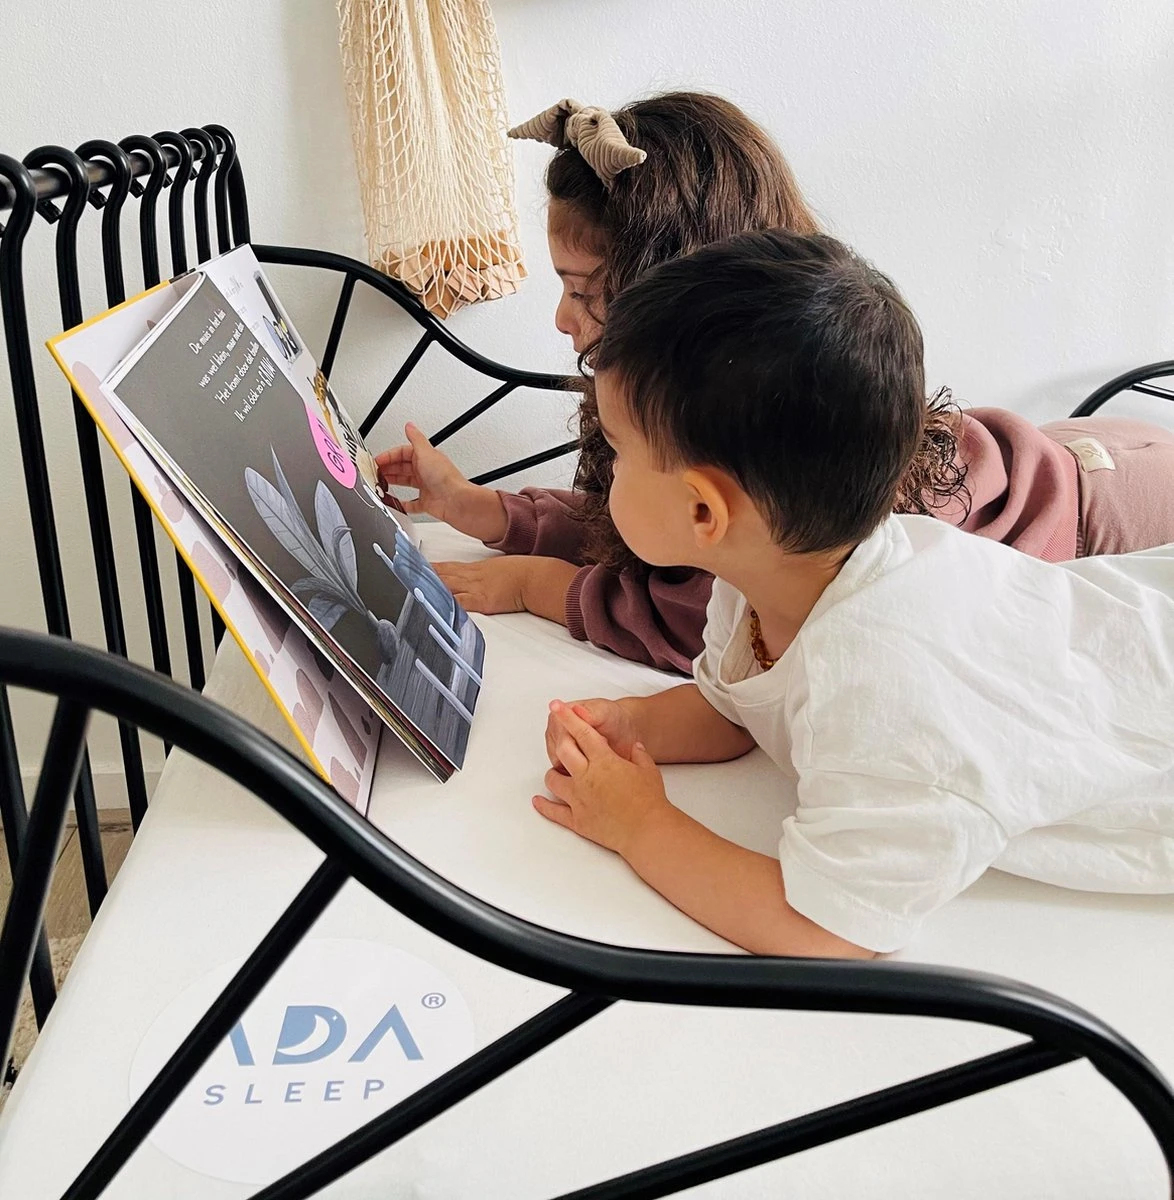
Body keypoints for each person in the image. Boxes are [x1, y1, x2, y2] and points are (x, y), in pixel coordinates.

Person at [535, 229, 1174, 958]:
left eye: (618, 451)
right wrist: (632, 721)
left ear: (704, 513)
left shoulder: (886, 690)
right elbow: (738, 711)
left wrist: (640, 825)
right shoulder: (765, 583)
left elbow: (828, 928)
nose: (606, 468)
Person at [375, 92, 1174, 674]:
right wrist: (490, 512)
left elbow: (696, 620)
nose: (561, 319)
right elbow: (655, 523)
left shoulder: (786, 485)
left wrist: (535, 583)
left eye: (585, 292)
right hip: (1068, 453)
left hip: (1105, 518)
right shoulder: (708, 417)